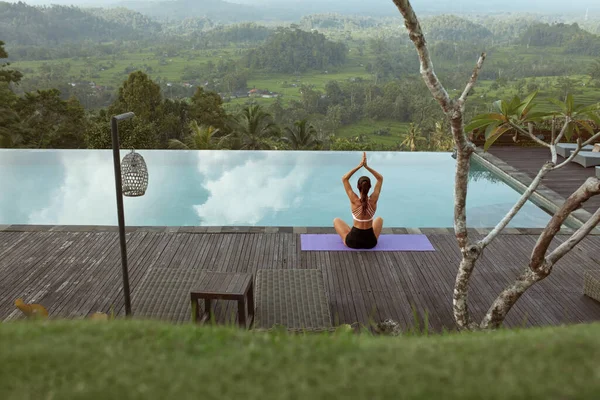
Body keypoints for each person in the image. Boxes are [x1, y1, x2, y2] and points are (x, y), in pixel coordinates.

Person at [334, 152, 384, 249]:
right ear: (370, 187)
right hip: (370, 242)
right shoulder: (373, 200)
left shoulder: (354, 200)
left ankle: (350, 233)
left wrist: (359, 166)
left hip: (353, 241)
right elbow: (380, 178)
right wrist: (367, 167)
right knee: (379, 219)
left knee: (336, 220)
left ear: (358, 186)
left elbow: (345, 178)